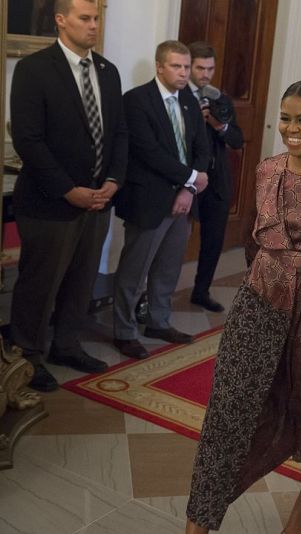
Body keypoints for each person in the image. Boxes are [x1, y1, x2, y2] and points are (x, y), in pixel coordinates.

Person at [185, 80, 301, 534]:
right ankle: (200, 517)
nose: (291, 129)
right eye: (286, 118)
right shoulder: (267, 169)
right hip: (259, 301)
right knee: (227, 410)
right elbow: (258, 239)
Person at [9, 0, 128, 392]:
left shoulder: (108, 72)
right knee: (40, 283)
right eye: (85, 18)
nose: (93, 26)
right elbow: (28, 139)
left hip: (97, 200)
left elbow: (119, 134)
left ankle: (67, 344)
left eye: (96, 19)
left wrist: (112, 180)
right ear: (61, 21)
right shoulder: (34, 69)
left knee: (81, 278)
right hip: (49, 203)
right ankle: (26, 357)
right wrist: (67, 189)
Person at [112, 41, 210, 360]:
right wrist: (192, 178)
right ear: (159, 66)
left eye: (186, 66)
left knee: (168, 268)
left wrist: (189, 189)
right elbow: (149, 152)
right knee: (133, 270)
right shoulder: (136, 101)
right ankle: (124, 331)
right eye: (176, 66)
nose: (183, 73)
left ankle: (158, 321)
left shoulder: (189, 102)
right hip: (148, 199)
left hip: (182, 200)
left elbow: (202, 148)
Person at [186, 41, 244, 313]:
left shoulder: (220, 98)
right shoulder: (179, 96)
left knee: (213, 239)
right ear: (189, 66)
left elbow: (237, 139)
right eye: (200, 68)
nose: (205, 74)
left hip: (217, 178)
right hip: (185, 177)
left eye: (210, 68)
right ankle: (149, 298)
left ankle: (201, 290)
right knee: (172, 241)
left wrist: (219, 125)